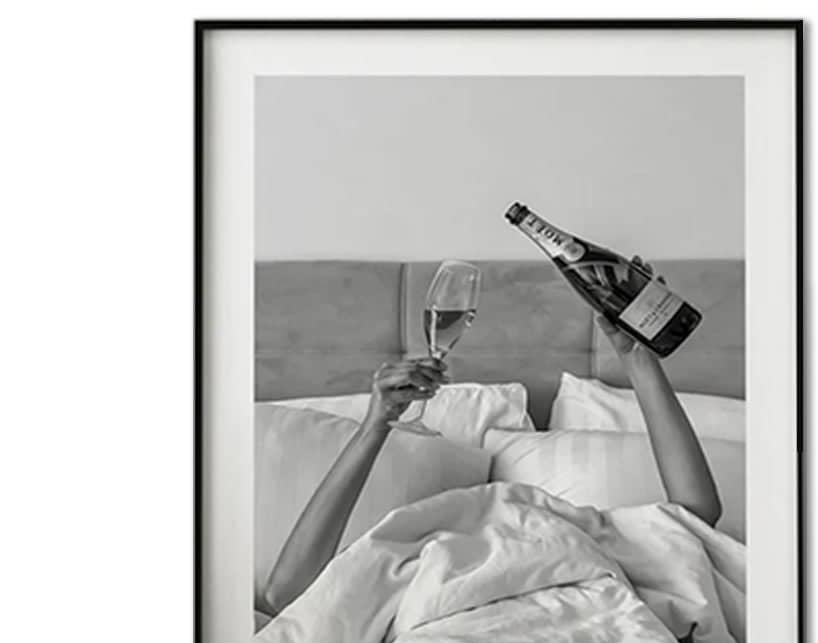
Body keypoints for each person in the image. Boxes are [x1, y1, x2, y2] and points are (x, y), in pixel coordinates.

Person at [261, 260, 721, 618]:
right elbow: (287, 593)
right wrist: (374, 426)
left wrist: (639, 361)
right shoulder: (413, 551)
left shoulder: (590, 538)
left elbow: (694, 519)